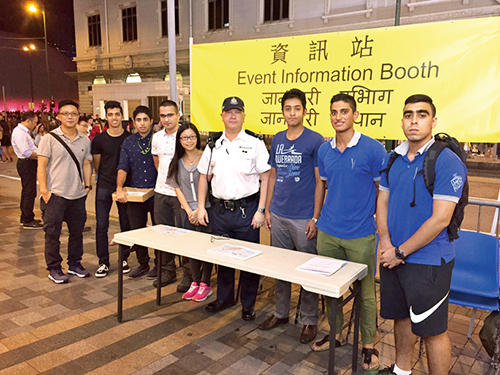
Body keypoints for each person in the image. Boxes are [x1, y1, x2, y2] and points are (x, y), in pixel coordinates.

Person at [377, 95, 467, 375]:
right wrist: (387, 243)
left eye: (421, 114)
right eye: (408, 115)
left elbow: (441, 219)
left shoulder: (446, 160)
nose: (413, 120)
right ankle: (401, 371)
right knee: (401, 318)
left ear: (433, 121)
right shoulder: (394, 158)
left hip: (429, 261)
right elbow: (382, 202)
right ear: (402, 121)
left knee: (432, 330)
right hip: (394, 257)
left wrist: (400, 251)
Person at [311, 93, 386, 371]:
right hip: (328, 232)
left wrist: (379, 220)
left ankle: (369, 344)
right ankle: (337, 333)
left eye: (344, 111)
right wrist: (316, 218)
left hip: (361, 235)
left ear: (355, 115)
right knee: (331, 291)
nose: (338, 116)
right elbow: (324, 185)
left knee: (365, 293)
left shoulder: (374, 149)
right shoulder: (325, 150)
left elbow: (383, 190)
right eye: (334, 112)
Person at [258, 88, 324, 344]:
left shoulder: (315, 140)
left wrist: (315, 217)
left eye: (297, 108)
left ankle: (308, 320)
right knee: (281, 268)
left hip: (303, 217)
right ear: (283, 112)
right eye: (288, 108)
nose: (292, 113)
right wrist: (268, 209)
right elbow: (273, 175)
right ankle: (280, 313)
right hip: (279, 215)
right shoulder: (277, 139)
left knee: (308, 269)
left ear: (304, 111)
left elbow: (320, 182)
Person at [197, 96, 270, 321]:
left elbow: (266, 178)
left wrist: (261, 210)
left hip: (246, 212)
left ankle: (248, 303)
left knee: (248, 259)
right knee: (223, 258)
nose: (232, 115)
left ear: (243, 116)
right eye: (228, 112)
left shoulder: (255, 143)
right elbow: (204, 178)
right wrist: (201, 207)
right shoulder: (212, 145)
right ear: (222, 116)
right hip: (219, 212)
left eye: (237, 112)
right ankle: (225, 298)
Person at [37, 100, 93, 284]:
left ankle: (75, 264)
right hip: (55, 195)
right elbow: (42, 165)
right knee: (52, 233)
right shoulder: (49, 139)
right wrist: (44, 191)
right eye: (66, 113)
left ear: (78, 116)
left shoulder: (84, 140)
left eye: (73, 113)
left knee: (76, 232)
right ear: (59, 116)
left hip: (77, 195)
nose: (70, 116)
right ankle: (54, 268)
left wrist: (87, 186)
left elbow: (86, 163)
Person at [167, 122, 214, 301]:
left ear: (197, 138)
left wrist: (200, 209)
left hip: (206, 210)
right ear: (179, 140)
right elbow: (177, 188)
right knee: (191, 249)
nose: (189, 141)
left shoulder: (206, 157)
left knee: (206, 248)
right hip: (186, 212)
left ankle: (206, 283)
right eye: (185, 137)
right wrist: (188, 211)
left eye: (192, 137)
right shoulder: (177, 162)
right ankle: (195, 281)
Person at [151, 100, 191, 290]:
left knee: (184, 235)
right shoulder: (157, 137)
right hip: (161, 193)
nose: (166, 119)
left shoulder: (185, 136)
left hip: (182, 195)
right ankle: (168, 270)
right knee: (163, 233)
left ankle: (189, 274)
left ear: (178, 115)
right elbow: (157, 163)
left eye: (170, 115)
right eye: (163, 116)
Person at [91, 101, 132, 277]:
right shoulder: (99, 139)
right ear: (105, 117)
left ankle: (124, 259)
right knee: (101, 225)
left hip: (124, 188)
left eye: (117, 114)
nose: (114, 118)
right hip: (104, 187)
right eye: (110, 114)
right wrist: (106, 179)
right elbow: (97, 164)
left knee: (126, 224)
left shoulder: (129, 139)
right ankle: (103, 262)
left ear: (121, 116)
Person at [116, 106, 158, 278]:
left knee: (159, 230)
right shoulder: (128, 142)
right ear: (134, 122)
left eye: (145, 119)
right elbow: (123, 167)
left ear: (151, 121)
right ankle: (143, 263)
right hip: (136, 193)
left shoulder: (158, 139)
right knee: (137, 230)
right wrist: (119, 187)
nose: (142, 123)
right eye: (138, 120)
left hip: (157, 192)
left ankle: (161, 264)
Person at [11, 111, 43, 229]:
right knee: (29, 191)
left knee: (28, 190)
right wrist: (41, 155)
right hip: (26, 163)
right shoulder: (20, 133)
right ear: (28, 121)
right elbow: (27, 152)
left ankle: (26, 216)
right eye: (34, 122)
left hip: (28, 163)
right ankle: (27, 218)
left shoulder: (24, 132)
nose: (35, 125)